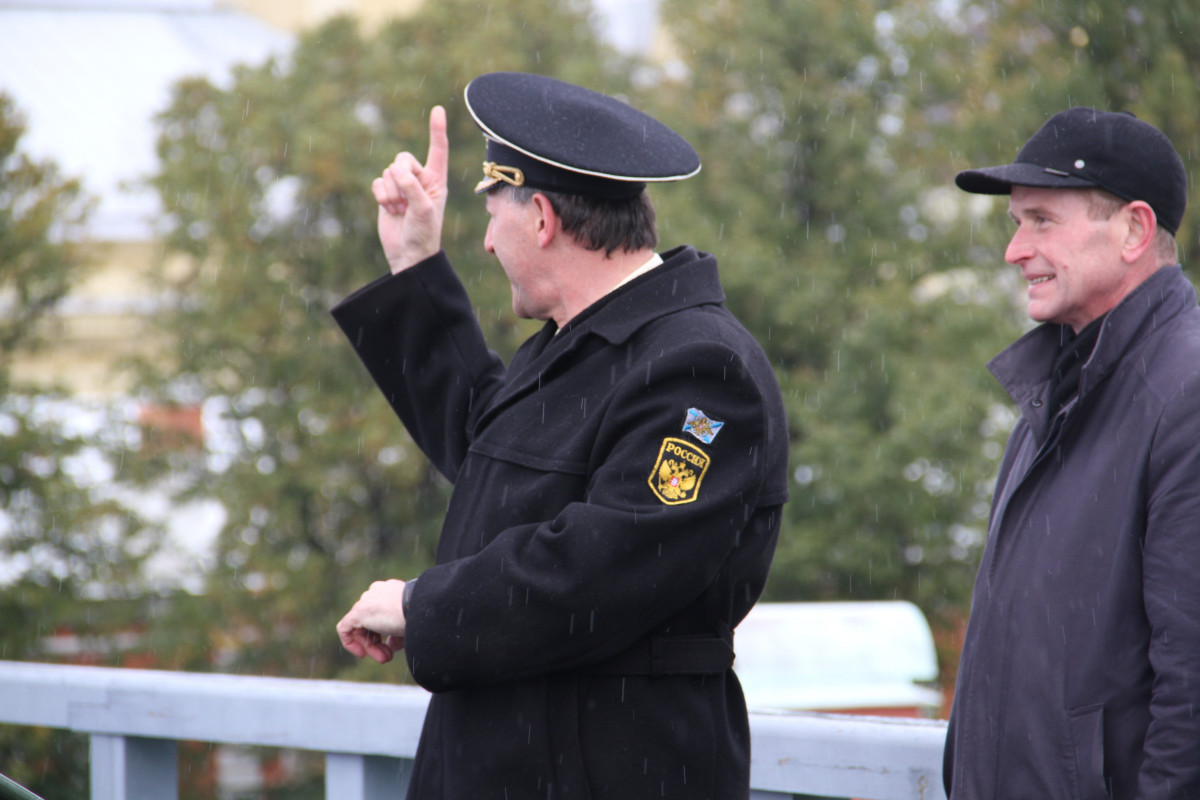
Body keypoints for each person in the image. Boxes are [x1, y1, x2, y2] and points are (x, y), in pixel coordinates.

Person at [330, 72, 789, 800]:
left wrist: (423, 606)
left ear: (541, 217)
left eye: (492, 217)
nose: (486, 244)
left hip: (606, 771)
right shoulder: (585, 343)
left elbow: (600, 568)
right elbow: (487, 452)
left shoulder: (699, 367)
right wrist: (414, 265)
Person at [944, 107, 1200, 799]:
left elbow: (1191, 679)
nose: (1015, 250)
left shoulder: (1184, 392)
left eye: (1042, 221)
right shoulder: (1061, 384)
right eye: (1016, 223)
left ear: (1134, 230)